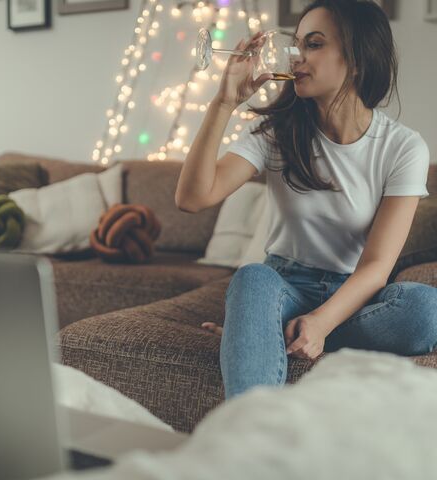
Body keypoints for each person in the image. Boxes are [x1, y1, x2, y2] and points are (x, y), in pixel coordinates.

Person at [175, 0, 437, 399]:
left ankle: (265, 333)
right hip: (284, 283)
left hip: (355, 294)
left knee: (425, 308)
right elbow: (192, 199)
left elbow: (377, 267)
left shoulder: (403, 148)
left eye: (313, 44)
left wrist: (321, 323)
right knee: (252, 278)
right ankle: (249, 429)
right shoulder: (276, 134)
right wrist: (224, 102)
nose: (296, 57)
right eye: (296, 44)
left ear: (358, 59)